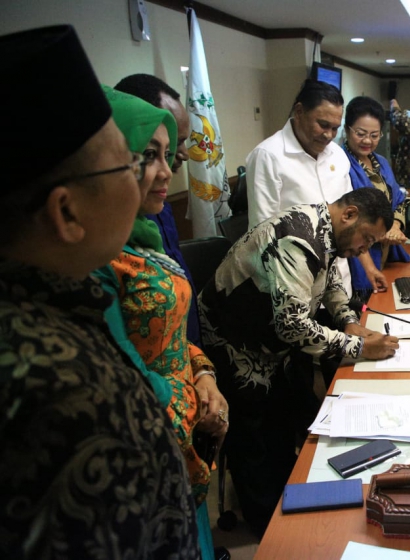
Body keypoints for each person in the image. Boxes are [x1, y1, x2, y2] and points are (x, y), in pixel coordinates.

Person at [0, 25, 198, 557]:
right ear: (66, 212)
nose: (152, 178)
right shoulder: (64, 391)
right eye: (131, 163)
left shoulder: (58, 300)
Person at [198, 188, 400, 536]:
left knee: (285, 425)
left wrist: (348, 320)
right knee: (255, 443)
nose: (364, 250)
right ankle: (269, 529)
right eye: (367, 239)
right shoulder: (297, 238)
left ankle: (285, 497)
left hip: (270, 345)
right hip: (235, 345)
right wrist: (358, 347)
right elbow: (292, 326)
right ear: (349, 214)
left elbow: (328, 279)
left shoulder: (327, 230)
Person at [92, 87, 229, 560]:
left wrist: (204, 374)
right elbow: (120, 377)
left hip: (183, 431)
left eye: (168, 155)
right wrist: (191, 405)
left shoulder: (144, 231)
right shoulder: (93, 257)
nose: (169, 171)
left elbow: (169, 331)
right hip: (146, 446)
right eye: (149, 156)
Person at [114, 73, 203, 345]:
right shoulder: (107, 241)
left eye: (169, 148)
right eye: (151, 153)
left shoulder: (158, 204)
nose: (183, 153)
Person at [245, 79, 353, 292]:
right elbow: (262, 233)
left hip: (339, 279)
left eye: (335, 128)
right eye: (323, 125)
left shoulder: (337, 154)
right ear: (299, 111)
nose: (329, 135)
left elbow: (350, 212)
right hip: (294, 284)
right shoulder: (268, 155)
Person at [343, 96, 410, 301]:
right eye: (360, 134)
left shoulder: (381, 162)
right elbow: (346, 217)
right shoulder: (340, 163)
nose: (368, 141)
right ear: (347, 130)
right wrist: (381, 233)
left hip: (386, 253)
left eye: (374, 135)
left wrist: (395, 226)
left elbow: (399, 199)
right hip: (358, 256)